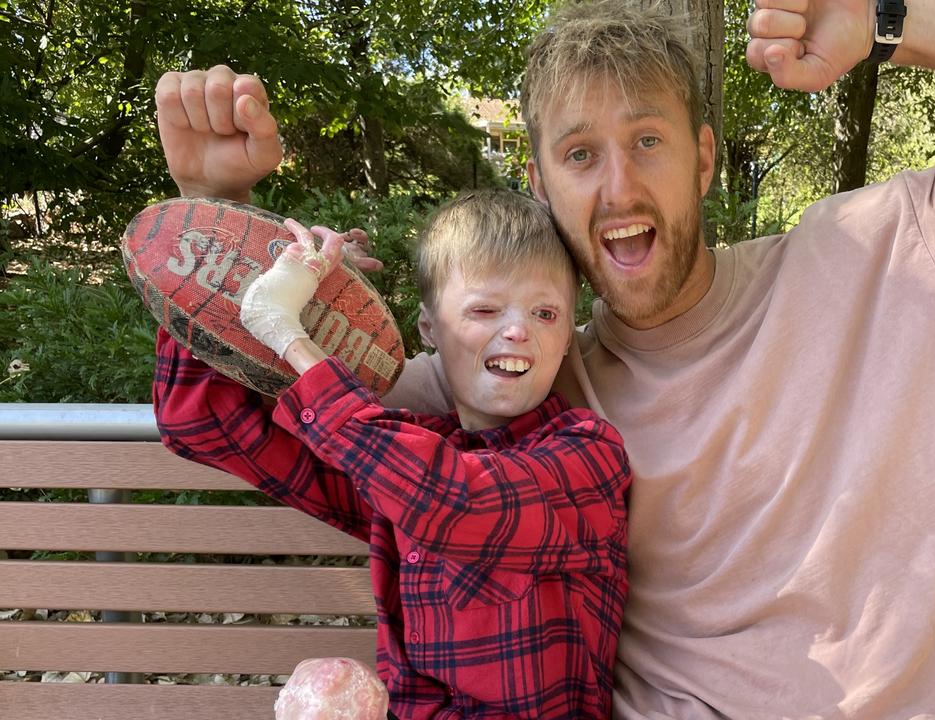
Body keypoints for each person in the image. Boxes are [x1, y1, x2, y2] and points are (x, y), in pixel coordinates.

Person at [154, 0, 935, 716]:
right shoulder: (519, 387)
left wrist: (886, 19)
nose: (617, 188)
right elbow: (256, 422)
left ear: (702, 155)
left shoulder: (885, 255)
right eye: (579, 155)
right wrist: (215, 214)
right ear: (539, 182)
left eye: (646, 141)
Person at [153, 189, 631, 720]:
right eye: (485, 309)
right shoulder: (395, 455)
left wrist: (288, 336)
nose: (518, 330)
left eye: (546, 313)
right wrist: (252, 279)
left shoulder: (588, 455)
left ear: (567, 336)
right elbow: (201, 422)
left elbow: (453, 502)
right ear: (428, 328)